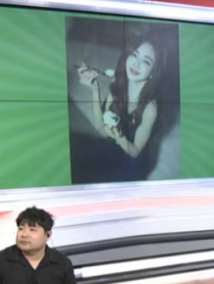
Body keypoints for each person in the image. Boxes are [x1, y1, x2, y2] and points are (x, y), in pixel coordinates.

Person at [77, 26, 179, 180]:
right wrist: (94, 89)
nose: (136, 64)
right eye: (135, 54)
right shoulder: (119, 84)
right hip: (115, 147)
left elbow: (136, 151)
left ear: (153, 73)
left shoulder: (150, 108)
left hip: (133, 163)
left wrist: (120, 137)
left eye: (146, 61)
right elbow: (99, 125)